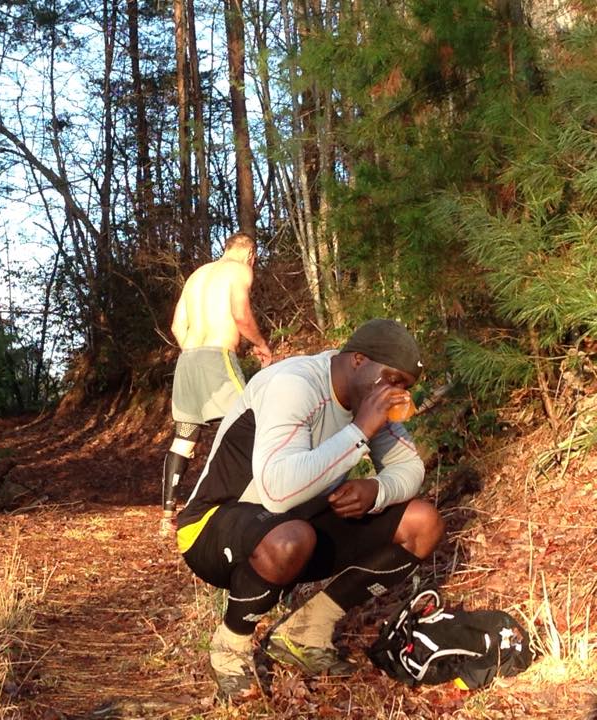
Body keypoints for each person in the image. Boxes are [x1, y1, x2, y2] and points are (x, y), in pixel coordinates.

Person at [174, 318, 445, 701]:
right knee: (289, 538)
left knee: (423, 523)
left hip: (295, 525)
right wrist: (359, 432)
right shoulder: (294, 384)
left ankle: (306, 632)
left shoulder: (368, 397)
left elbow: (410, 467)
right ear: (358, 360)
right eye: (392, 379)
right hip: (213, 526)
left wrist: (377, 490)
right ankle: (230, 647)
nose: (396, 393)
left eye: (405, 386)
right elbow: (277, 492)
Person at [162, 232, 273, 536]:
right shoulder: (240, 270)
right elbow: (240, 315)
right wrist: (261, 344)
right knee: (248, 423)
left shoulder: (197, 275)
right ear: (250, 254)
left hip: (187, 359)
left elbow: (177, 325)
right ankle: (240, 504)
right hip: (217, 358)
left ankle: (167, 517)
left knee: (185, 436)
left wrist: (194, 353)